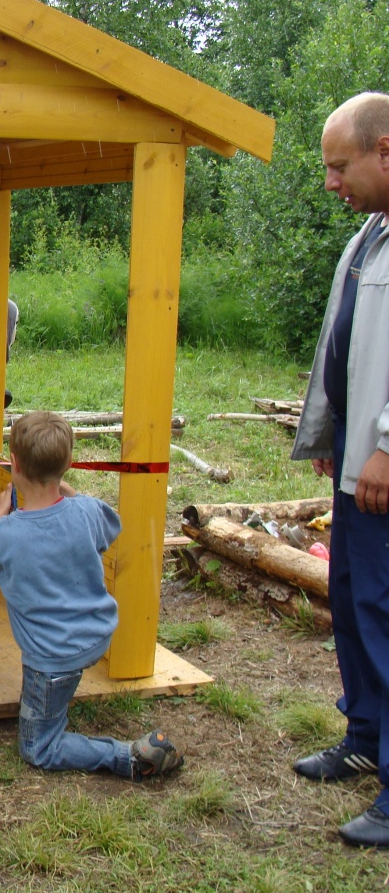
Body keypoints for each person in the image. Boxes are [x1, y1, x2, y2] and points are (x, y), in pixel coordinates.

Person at [0, 410, 183, 780]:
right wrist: (70, 494)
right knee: (49, 692)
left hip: (53, 658)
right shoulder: (86, 511)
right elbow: (109, 525)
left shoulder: (3, 534)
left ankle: (129, 757)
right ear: (68, 464)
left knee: (39, 749)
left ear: (13, 464)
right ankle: (52, 702)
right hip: (95, 634)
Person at [290, 91, 389, 849]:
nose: (331, 182)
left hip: (384, 463)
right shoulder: (370, 234)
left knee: (385, 613)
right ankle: (365, 735)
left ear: (384, 150)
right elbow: (348, 345)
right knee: (355, 601)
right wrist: (331, 430)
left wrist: (387, 445)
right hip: (355, 462)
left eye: (338, 165)